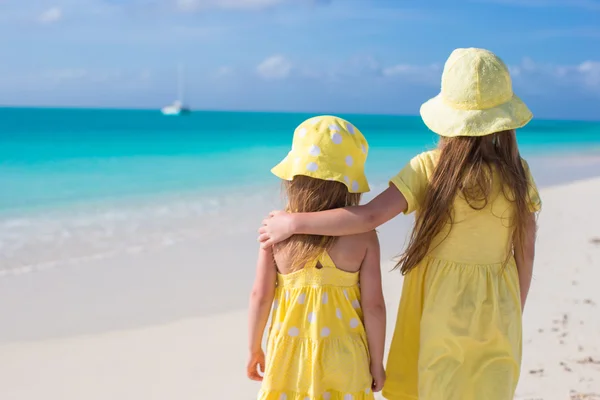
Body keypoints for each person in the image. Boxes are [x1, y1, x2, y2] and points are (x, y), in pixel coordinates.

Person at [257, 48, 542, 400]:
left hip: (440, 300)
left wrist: (294, 222)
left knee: (439, 381)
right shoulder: (518, 174)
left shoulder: (428, 168)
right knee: (490, 384)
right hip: (499, 300)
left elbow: (369, 216)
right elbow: (525, 249)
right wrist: (515, 303)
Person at [247, 115, 387, 400]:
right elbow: (374, 307)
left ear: (293, 179)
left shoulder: (276, 231)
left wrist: (254, 348)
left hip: (289, 356)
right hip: (346, 354)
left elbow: (259, 296)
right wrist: (376, 362)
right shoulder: (364, 237)